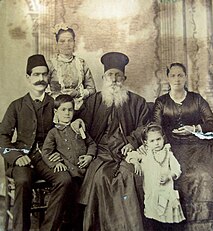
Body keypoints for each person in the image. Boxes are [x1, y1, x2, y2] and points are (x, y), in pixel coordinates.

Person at [77, 52, 151, 231]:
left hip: (127, 152)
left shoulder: (137, 101)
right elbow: (83, 128)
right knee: (101, 178)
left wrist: (132, 142)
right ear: (103, 77)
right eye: (110, 75)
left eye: (118, 75)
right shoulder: (93, 101)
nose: (114, 79)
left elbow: (145, 126)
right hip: (101, 151)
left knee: (130, 176)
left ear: (124, 78)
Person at [0, 54, 73, 231]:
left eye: (44, 74)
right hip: (22, 158)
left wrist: (76, 123)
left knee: (65, 180)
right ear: (28, 77)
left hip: (46, 158)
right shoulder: (16, 105)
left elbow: (66, 124)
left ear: (48, 77)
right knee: (23, 181)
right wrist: (16, 157)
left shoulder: (55, 103)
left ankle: (48, 228)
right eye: (36, 74)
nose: (41, 79)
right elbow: (2, 136)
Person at [151, 62, 213, 230]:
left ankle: (204, 226)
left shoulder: (196, 99)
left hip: (198, 147)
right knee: (178, 176)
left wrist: (194, 128)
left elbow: (212, 123)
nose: (176, 79)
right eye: (173, 75)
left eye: (180, 75)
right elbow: (155, 127)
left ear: (186, 77)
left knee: (204, 176)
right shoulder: (161, 102)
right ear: (167, 78)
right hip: (172, 148)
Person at [41, 94, 97, 231]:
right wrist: (56, 164)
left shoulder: (78, 128)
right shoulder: (54, 133)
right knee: (71, 204)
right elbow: (46, 152)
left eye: (70, 110)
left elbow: (92, 144)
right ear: (56, 112)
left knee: (82, 206)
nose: (67, 113)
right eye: (63, 110)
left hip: (85, 173)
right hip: (71, 175)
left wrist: (89, 156)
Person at [126, 122, 185, 230]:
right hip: (151, 194)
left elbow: (177, 169)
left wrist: (169, 176)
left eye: (158, 139)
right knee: (152, 220)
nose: (156, 143)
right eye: (152, 141)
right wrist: (136, 162)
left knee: (168, 222)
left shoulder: (168, 154)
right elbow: (130, 155)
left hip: (166, 193)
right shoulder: (145, 153)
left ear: (163, 138)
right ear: (146, 143)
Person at [48, 23, 96, 109]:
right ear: (57, 43)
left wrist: (78, 93)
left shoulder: (81, 63)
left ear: (74, 42)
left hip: (79, 108)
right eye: (62, 41)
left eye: (70, 40)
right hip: (56, 109)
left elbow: (92, 90)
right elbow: (44, 90)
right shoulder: (50, 64)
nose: (67, 44)